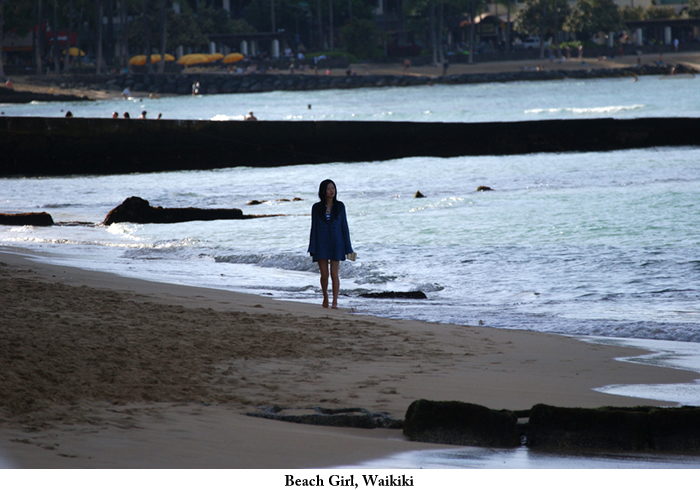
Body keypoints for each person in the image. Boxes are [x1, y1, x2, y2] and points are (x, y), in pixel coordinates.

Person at [308, 179, 354, 309]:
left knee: (334, 274)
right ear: (323, 191)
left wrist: (348, 248)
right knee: (324, 274)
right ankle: (325, 298)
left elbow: (344, 228)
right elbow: (314, 228)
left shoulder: (340, 206)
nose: (331, 190)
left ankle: (335, 301)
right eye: (328, 188)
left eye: (333, 188)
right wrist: (312, 247)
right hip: (321, 243)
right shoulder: (316, 207)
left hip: (336, 243)